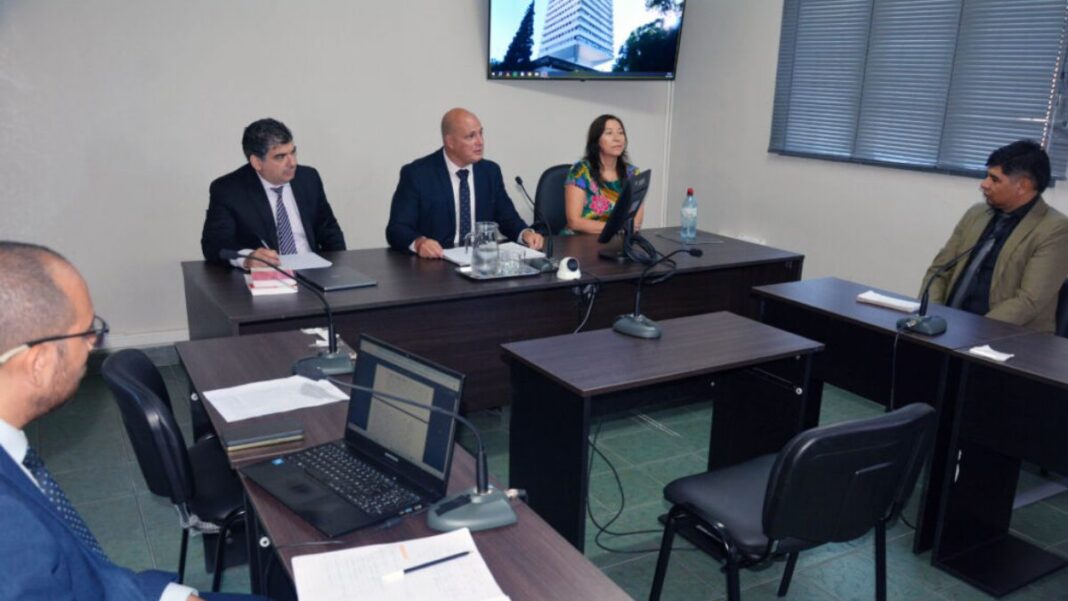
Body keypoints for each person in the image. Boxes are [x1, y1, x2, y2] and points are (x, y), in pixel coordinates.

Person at [0, 241, 269, 601]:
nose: (94, 344)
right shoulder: (8, 522)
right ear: (40, 363)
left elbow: (82, 575)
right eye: (87, 332)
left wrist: (169, 594)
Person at [921, 140, 1068, 332]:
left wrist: (971, 332)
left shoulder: (1054, 229)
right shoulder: (976, 214)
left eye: (995, 179)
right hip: (947, 329)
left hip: (1009, 338)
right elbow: (939, 271)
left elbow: (1029, 301)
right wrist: (933, 316)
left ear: (1023, 185)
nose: (984, 184)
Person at [386, 108, 544, 258]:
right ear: (450, 142)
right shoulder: (418, 174)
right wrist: (420, 243)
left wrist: (525, 234)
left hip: (480, 261)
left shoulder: (490, 172)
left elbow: (508, 218)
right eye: (471, 136)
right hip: (436, 263)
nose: (480, 142)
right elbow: (397, 228)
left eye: (481, 133)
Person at [201, 118, 346, 267]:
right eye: (280, 157)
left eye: (293, 152)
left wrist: (338, 268)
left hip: (314, 269)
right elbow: (214, 243)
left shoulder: (309, 178)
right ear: (257, 162)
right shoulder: (229, 190)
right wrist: (248, 258)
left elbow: (329, 230)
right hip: (268, 274)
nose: (292, 163)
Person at [563, 114, 643, 235]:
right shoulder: (580, 171)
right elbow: (574, 222)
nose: (617, 138)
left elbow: (635, 221)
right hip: (580, 239)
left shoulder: (632, 174)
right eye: (609, 133)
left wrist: (623, 229)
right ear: (597, 141)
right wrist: (619, 227)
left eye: (620, 132)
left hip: (618, 239)